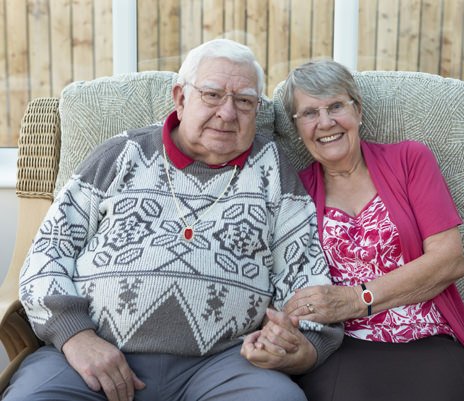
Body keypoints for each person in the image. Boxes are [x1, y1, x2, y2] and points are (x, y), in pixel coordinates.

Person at [4, 40, 343, 401]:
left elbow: (305, 272)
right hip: (91, 354)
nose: (228, 113)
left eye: (244, 101)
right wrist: (75, 336)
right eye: (212, 95)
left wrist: (302, 344)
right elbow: (46, 255)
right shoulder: (120, 155)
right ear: (180, 98)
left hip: (223, 364)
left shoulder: (274, 170)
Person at [269, 59, 464, 401]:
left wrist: (356, 299)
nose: (326, 122)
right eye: (309, 113)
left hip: (429, 339)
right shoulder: (295, 193)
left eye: (335, 106)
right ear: (298, 127)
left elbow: (449, 261)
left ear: (357, 110)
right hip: (344, 350)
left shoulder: (409, 160)